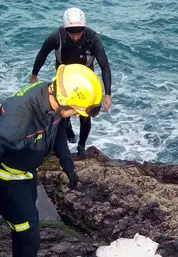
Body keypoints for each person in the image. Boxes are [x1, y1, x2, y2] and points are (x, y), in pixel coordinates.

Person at [0, 64, 103, 257]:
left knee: (28, 217)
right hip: (7, 175)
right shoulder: (20, 117)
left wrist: (69, 167)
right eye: (75, 110)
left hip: (27, 172)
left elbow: (59, 137)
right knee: (27, 229)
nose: (75, 114)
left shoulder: (56, 106)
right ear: (65, 98)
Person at [30, 7, 112, 156]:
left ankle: (81, 147)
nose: (75, 36)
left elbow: (105, 65)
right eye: (71, 33)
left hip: (85, 82)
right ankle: (67, 134)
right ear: (65, 29)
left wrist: (108, 94)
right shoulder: (56, 37)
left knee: (85, 116)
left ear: (84, 28)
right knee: (63, 113)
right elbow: (42, 54)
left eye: (79, 32)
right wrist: (34, 75)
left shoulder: (92, 38)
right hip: (64, 80)